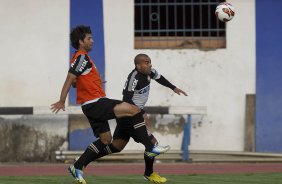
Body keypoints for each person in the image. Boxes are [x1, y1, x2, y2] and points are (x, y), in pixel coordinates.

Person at [51, 25, 168, 184]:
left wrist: (94, 81)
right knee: (134, 109)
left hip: (89, 106)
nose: (92, 41)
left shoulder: (79, 58)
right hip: (96, 103)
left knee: (106, 141)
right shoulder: (82, 57)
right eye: (89, 38)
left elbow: (75, 82)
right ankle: (150, 146)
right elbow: (70, 78)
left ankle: (78, 166)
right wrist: (61, 100)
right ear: (80, 41)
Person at [92, 53, 187, 183]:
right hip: (131, 116)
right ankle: (149, 174)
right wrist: (141, 112)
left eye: (150, 62)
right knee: (153, 145)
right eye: (147, 62)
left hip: (129, 116)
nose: (150, 64)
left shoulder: (149, 72)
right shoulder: (134, 77)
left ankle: (86, 158)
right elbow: (126, 99)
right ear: (138, 65)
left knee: (116, 146)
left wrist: (174, 88)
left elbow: (160, 78)